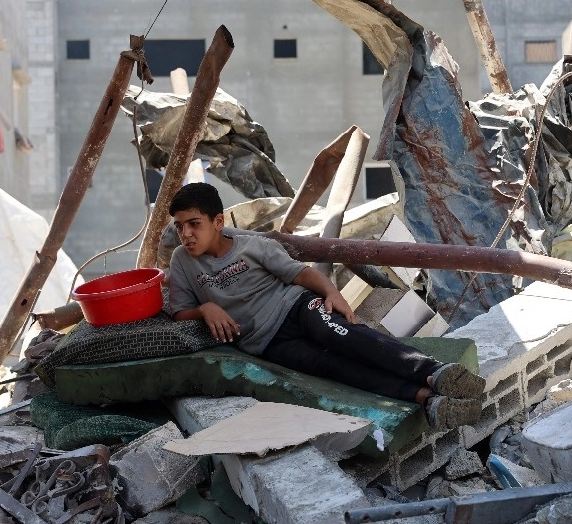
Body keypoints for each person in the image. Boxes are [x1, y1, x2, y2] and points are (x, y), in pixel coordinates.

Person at [165, 183, 486, 428]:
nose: (186, 234)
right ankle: (426, 400)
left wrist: (331, 292)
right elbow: (180, 312)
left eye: (194, 224)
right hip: (267, 343)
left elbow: (301, 274)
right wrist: (205, 309)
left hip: (297, 309)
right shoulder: (182, 262)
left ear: (217, 221)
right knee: (331, 368)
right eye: (180, 227)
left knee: (344, 337)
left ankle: (434, 373)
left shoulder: (253, 246)